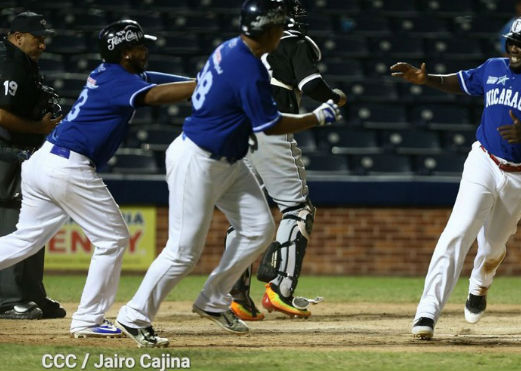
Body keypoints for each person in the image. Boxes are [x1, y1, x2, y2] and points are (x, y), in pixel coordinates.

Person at [115, 0, 342, 348]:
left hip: (228, 158)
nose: (282, 33)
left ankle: (214, 298)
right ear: (266, 31)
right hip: (199, 158)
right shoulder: (246, 67)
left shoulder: (231, 49)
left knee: (258, 228)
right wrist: (317, 117)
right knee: (182, 251)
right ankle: (134, 315)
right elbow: (272, 123)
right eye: (278, 27)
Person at [0, 19, 195, 337]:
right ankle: (88, 320)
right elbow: (156, 96)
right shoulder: (119, 80)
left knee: (26, 240)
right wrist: (209, 84)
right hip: (67, 164)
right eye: (139, 46)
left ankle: (89, 318)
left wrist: (204, 81)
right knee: (114, 239)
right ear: (125, 53)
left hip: (45, 162)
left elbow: (164, 83)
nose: (145, 50)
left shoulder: (116, 74)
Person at [391, 15, 521, 340]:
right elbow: (462, 81)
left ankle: (479, 284)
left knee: (493, 246)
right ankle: (427, 312)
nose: (514, 48)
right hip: (484, 161)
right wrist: (427, 79)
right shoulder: (494, 67)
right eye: (511, 42)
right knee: (458, 231)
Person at [227, 0, 347, 322]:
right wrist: (337, 97)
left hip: (238, 130)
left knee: (243, 215)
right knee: (298, 208)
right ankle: (281, 290)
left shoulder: (247, 48)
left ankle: (235, 297)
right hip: (272, 128)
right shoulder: (293, 42)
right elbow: (311, 86)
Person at [0, 11, 65, 320]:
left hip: (22, 151)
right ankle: (8, 299)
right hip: (6, 154)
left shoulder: (24, 64)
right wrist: (38, 128)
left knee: (33, 218)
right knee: (12, 219)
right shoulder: (9, 62)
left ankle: (31, 294)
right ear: (17, 37)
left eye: (44, 38)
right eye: (37, 38)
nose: (43, 44)